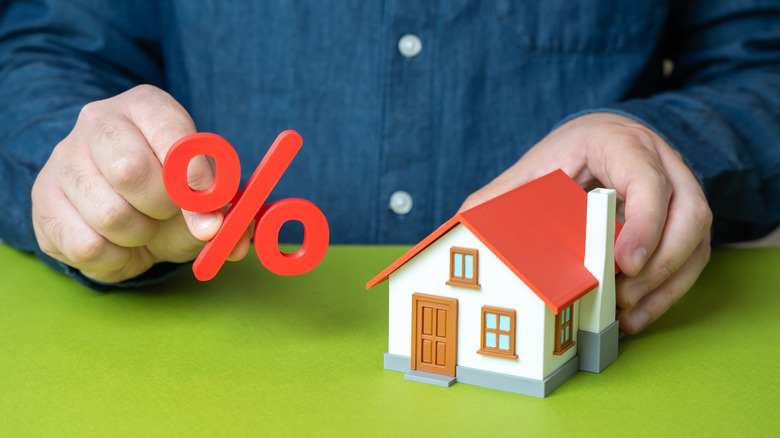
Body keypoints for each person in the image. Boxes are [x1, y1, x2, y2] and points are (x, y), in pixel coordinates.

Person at [1, 1, 778, 334]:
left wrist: (664, 138)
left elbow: (760, 64)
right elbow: (51, 49)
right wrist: (84, 168)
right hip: (202, 346)